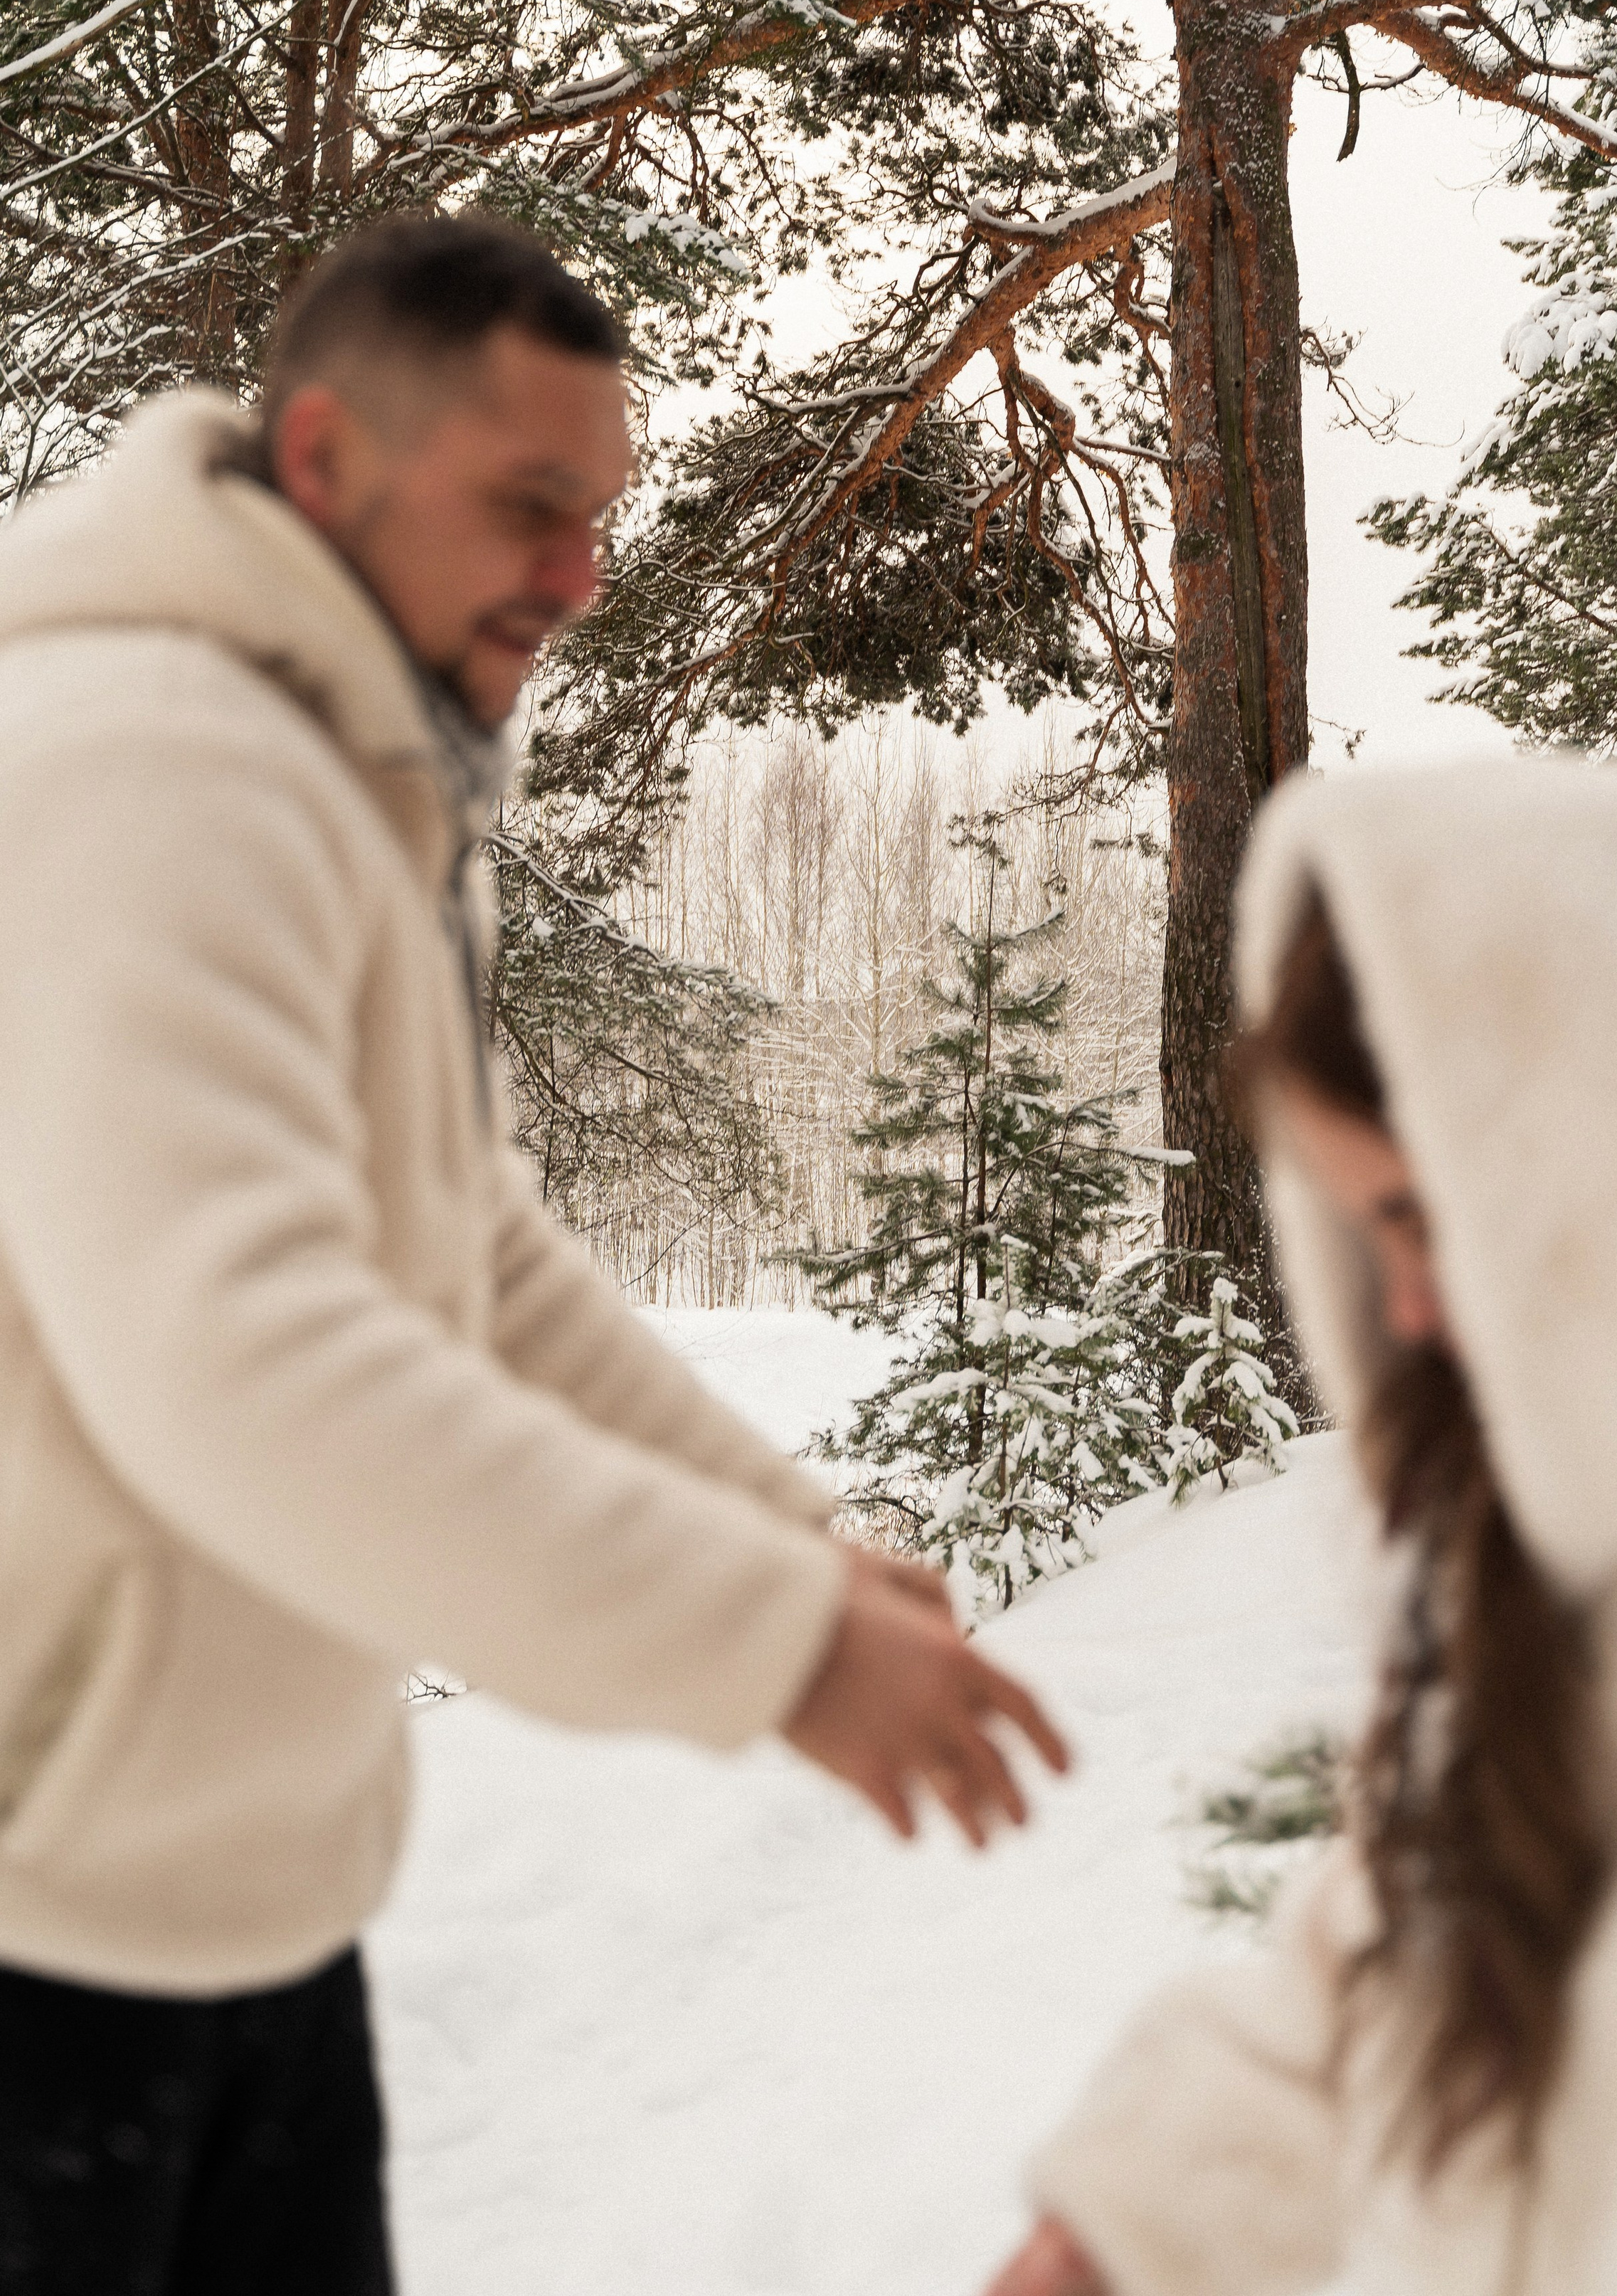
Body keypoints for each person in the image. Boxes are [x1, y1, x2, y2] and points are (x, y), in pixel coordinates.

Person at [0, 216, 1066, 2295]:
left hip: (235, 1906)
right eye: (529, 504)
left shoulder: (348, 767)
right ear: (324, 465)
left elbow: (464, 1249)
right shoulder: (144, 765)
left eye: (599, 511)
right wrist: (772, 1644)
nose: (580, 573)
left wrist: (783, 1532)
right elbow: (243, 1357)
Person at [985, 753, 1617, 2296]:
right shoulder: (1559, 1570)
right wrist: (1137, 2220)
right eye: (1367, 1231)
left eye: (1431, 1220)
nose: (1413, 1312)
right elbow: (1413, 1959)